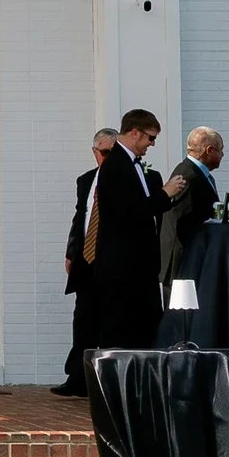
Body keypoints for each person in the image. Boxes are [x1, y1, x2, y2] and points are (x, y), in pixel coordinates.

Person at [80, 107, 167, 355]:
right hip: (123, 267)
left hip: (136, 266)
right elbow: (129, 213)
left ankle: (137, 383)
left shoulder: (132, 165)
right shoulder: (115, 166)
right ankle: (115, 386)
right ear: (135, 133)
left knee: (143, 328)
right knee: (120, 330)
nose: (152, 144)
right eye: (150, 137)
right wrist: (165, 194)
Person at [56, 127, 117, 392]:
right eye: (105, 152)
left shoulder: (127, 180)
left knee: (111, 319)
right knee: (83, 319)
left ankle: (107, 379)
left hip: (112, 261)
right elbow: (80, 218)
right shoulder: (86, 180)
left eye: (114, 152)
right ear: (95, 153)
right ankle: (77, 378)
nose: (109, 157)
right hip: (86, 260)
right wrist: (72, 252)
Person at [160, 126, 224, 304]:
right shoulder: (189, 175)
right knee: (181, 314)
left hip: (187, 259)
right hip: (182, 263)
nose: (223, 155)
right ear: (209, 150)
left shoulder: (193, 173)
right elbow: (180, 219)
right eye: (221, 150)